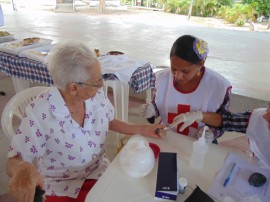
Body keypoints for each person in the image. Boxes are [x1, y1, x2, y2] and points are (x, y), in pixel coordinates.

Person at [6, 41, 165, 202]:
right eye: (97, 81)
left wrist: (143, 129)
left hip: (99, 171)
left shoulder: (95, 95)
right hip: (60, 185)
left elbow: (108, 120)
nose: (101, 85)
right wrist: (22, 169)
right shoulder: (40, 113)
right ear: (73, 88)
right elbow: (14, 159)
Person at [140, 35, 232, 142]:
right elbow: (158, 104)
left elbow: (225, 121)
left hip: (199, 142)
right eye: (173, 68)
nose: (177, 76)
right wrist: (151, 110)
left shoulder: (219, 87)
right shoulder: (161, 78)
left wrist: (212, 133)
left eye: (185, 71)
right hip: (166, 135)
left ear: (201, 64)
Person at [173, 104, 270, 169]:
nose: (265, 116)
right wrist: (198, 115)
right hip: (260, 169)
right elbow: (228, 120)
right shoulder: (260, 117)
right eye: (269, 109)